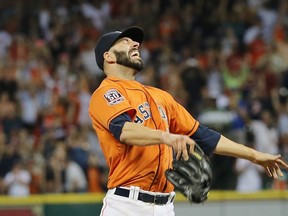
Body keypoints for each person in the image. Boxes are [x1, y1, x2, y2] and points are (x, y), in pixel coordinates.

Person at [89, 26, 288, 216]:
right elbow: (124, 130)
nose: (135, 45)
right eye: (125, 42)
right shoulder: (105, 93)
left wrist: (253, 156)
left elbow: (202, 135)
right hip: (127, 206)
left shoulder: (160, 97)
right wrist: (167, 137)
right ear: (109, 56)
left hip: (165, 207)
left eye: (135, 42)